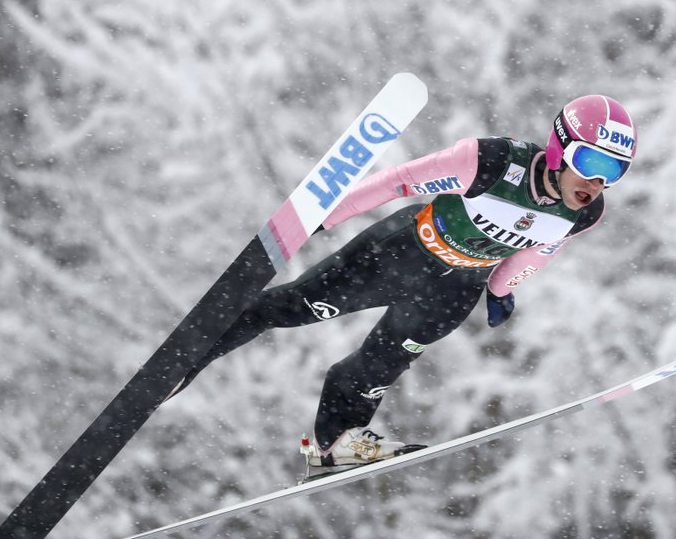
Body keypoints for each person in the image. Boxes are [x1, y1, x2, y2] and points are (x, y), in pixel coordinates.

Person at [169, 94, 638, 473]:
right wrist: (320, 217)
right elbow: (395, 183)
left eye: (614, 170)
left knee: (377, 370)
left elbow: (536, 250)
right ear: (559, 148)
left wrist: (500, 289)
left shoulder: (586, 213)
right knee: (291, 307)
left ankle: (335, 444)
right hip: (399, 255)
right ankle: (188, 358)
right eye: (590, 161)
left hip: (452, 293)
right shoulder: (490, 161)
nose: (597, 181)